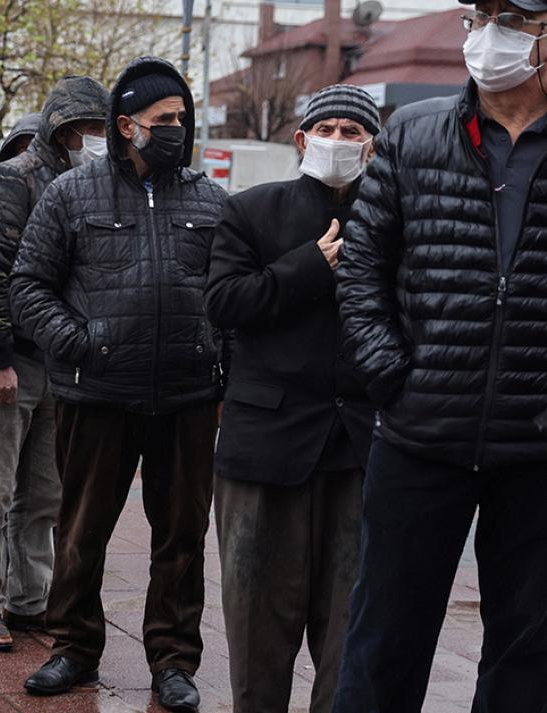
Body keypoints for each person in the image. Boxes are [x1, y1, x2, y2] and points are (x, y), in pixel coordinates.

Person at [332, 2, 547, 710]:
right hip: (420, 432)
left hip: (534, 444)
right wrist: (391, 373)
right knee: (384, 640)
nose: (492, 34)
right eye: (482, 14)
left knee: (528, 651)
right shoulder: (416, 133)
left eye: (515, 16)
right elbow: (363, 266)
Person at [10, 57, 228, 712]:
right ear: (126, 124)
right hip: (96, 394)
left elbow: (232, 294)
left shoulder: (210, 199)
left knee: (182, 536)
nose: (176, 131)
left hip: (186, 399)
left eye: (183, 120)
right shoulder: (72, 196)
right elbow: (27, 285)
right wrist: (82, 342)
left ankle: (173, 660)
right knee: (80, 529)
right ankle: (73, 647)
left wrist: (221, 365)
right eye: (164, 121)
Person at [203, 83, 380, 713]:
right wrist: (307, 268)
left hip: (358, 445)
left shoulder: (389, 216)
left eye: (353, 132)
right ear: (301, 140)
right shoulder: (252, 210)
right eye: (327, 129)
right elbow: (224, 303)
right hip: (266, 449)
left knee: (350, 627)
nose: (338, 141)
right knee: (258, 625)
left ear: (371, 147)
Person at [0, 76, 109, 651]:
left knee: (44, 494)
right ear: (63, 130)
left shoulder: (93, 185)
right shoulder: (11, 179)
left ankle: (28, 598)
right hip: (6, 355)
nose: (97, 139)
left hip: (59, 361)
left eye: (103, 129)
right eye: (88, 130)